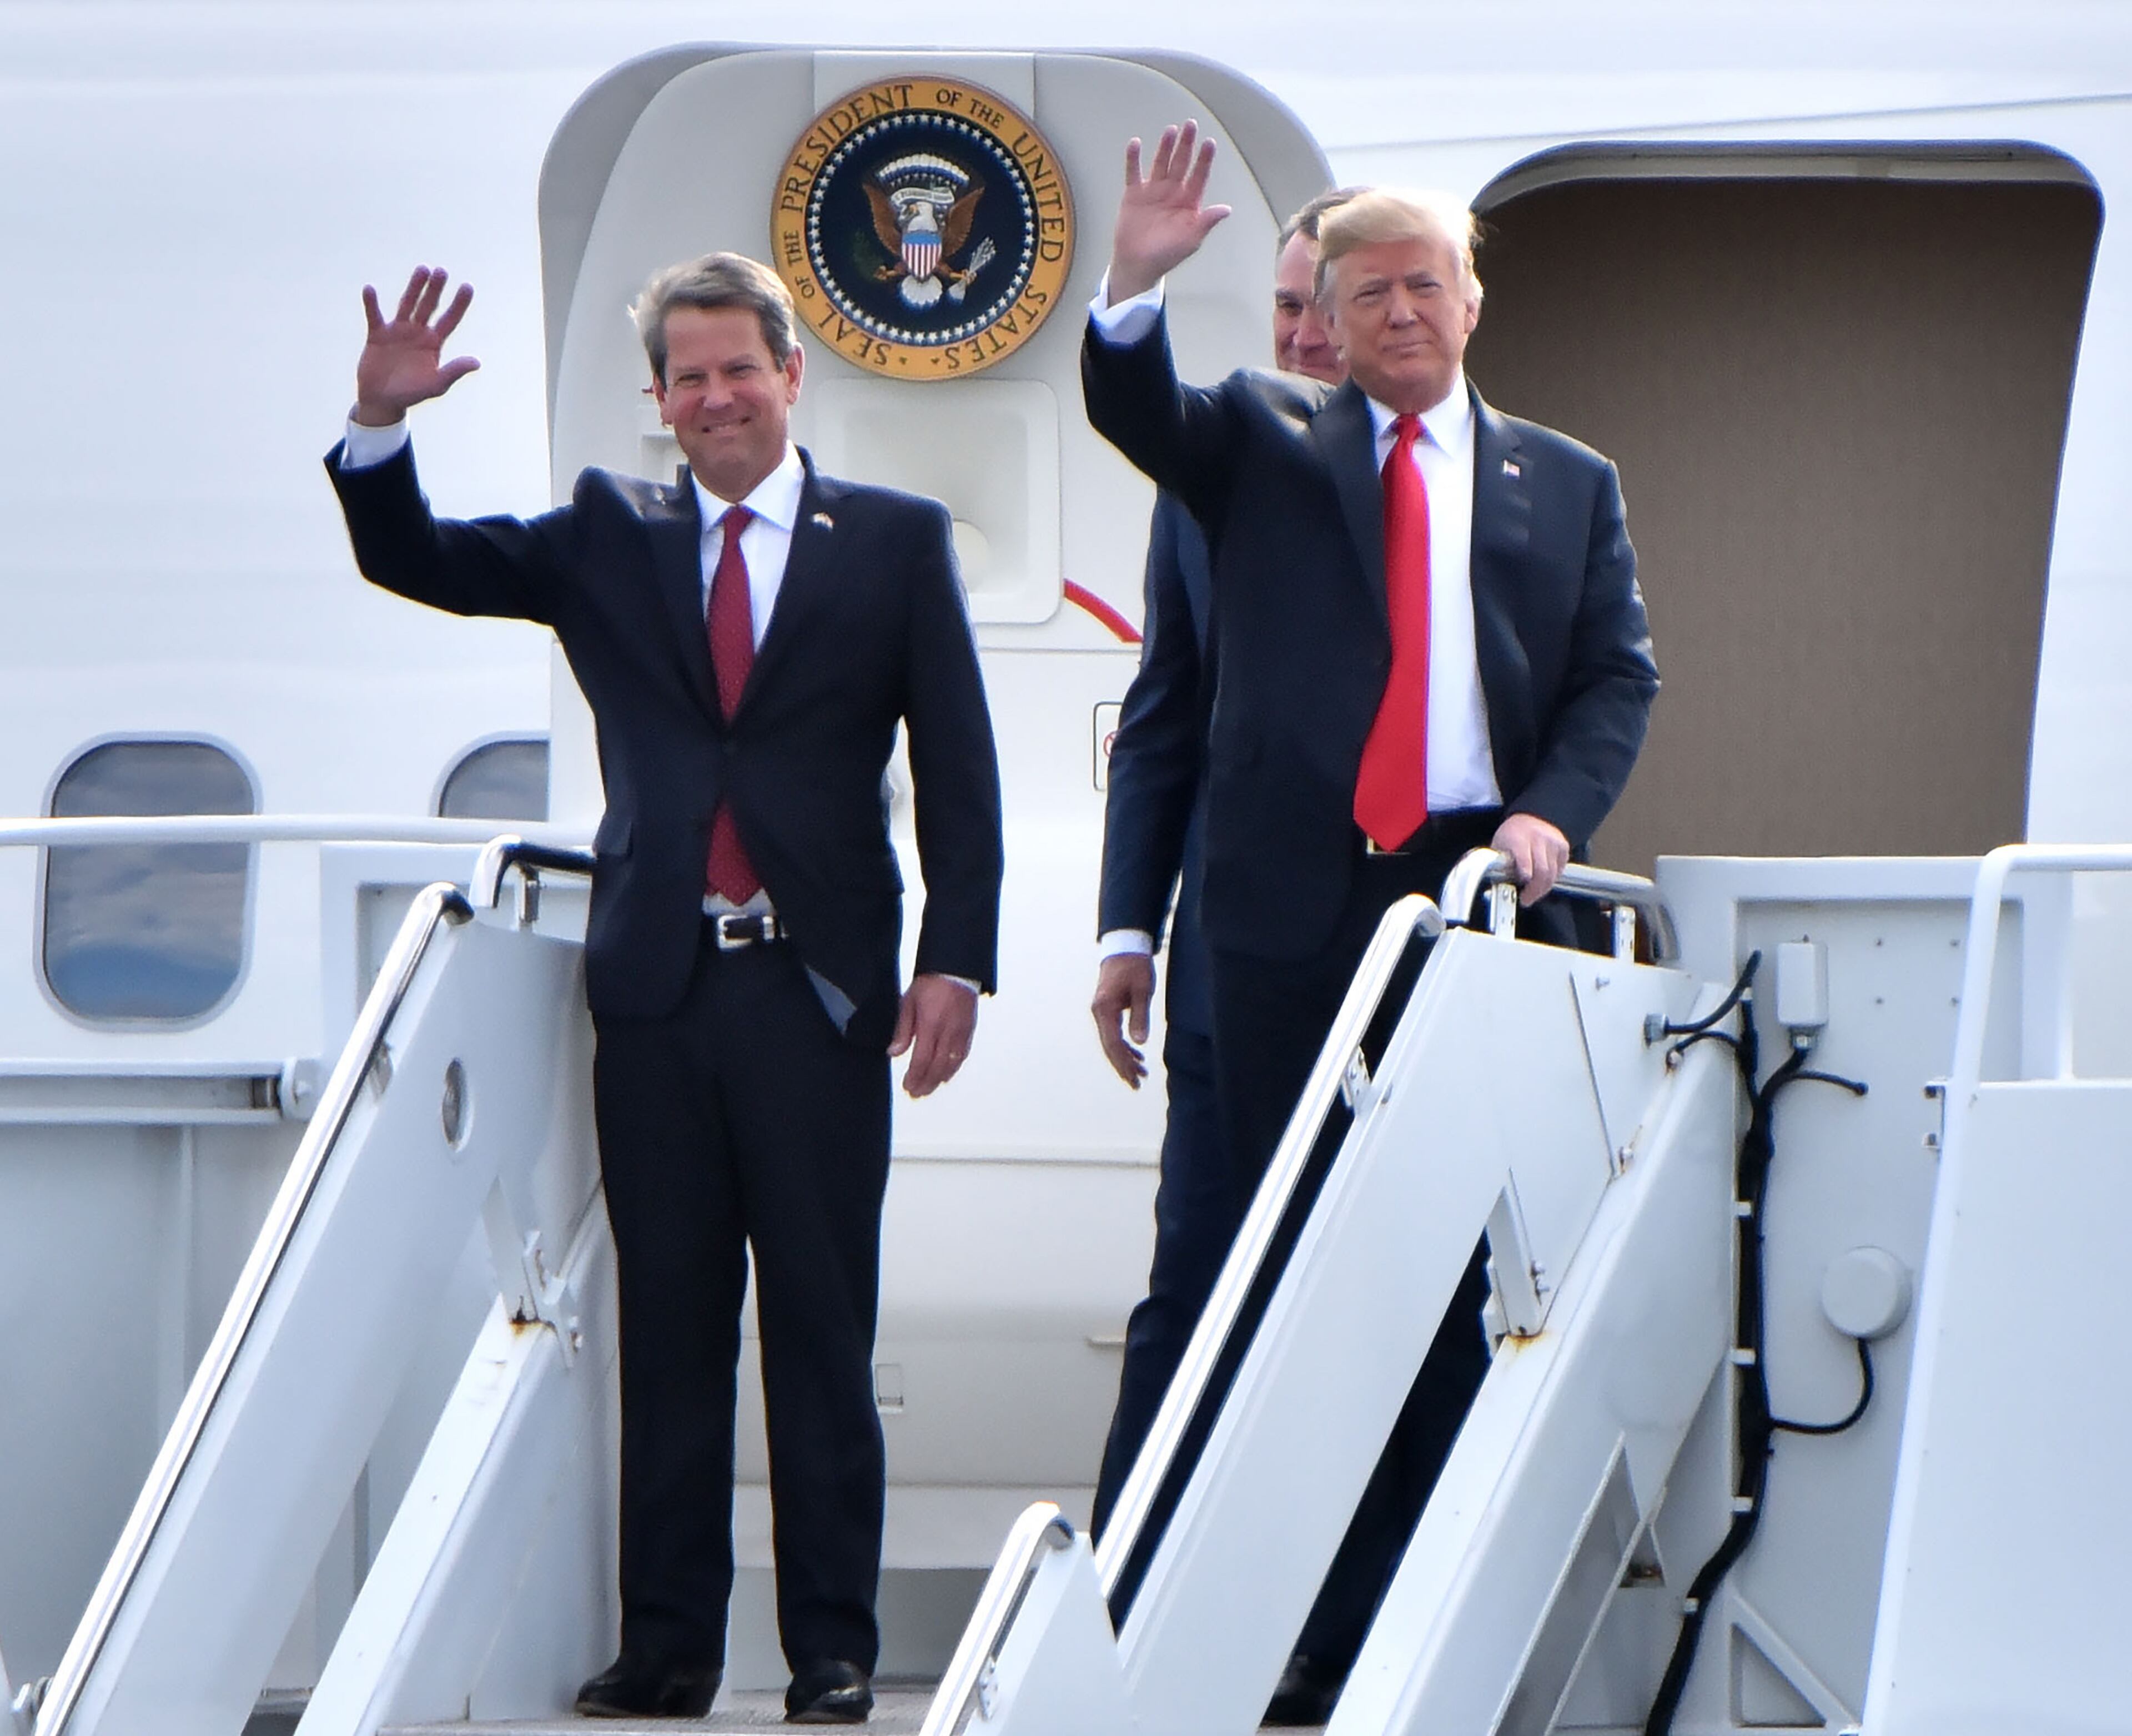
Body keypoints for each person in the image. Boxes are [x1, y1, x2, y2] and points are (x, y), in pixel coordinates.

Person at [326, 256, 1003, 1724]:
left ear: (790, 376)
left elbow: (959, 768)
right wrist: (379, 425)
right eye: (686, 379)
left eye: (736, 371)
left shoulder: (889, 541)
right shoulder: (604, 532)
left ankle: (832, 1654)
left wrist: (956, 957)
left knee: (822, 1331)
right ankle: (671, 1652)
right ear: (659, 402)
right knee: (674, 1334)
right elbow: (418, 559)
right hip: (657, 989)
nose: (713, 400)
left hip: (820, 994)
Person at [1082, 124, 1658, 1722]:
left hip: (1472, 910)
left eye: (1427, 283)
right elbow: (1142, 427)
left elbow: (1621, 675)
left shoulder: (1573, 480)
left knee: (1439, 1282)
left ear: (1472, 300)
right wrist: (1130, 284)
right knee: (1222, 1267)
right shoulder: (1263, 446)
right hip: (1272, 920)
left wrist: (1556, 810)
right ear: (1323, 320)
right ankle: (1141, 1607)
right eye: (1365, 292)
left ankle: (1378, 1634)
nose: (1399, 311)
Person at [1087, 189, 1356, 1543]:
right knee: (1194, 1270)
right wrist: (1125, 926)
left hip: (1394, 956)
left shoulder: (1489, 481)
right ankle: (1123, 1596)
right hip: (1224, 965)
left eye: (1335, 303)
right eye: (1290, 305)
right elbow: (1163, 712)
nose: (1308, 334)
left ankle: (1345, 1625)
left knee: (1377, 1290)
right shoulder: (1215, 468)